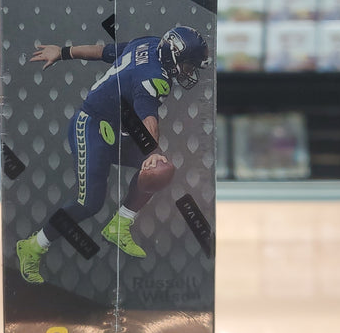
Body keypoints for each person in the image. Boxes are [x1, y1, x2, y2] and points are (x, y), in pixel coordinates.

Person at [15, 25, 210, 284]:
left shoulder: (150, 44)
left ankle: (120, 224)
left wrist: (63, 52)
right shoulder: (154, 77)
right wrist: (152, 152)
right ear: (174, 55)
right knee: (89, 203)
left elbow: (103, 51)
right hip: (92, 126)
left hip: (117, 131)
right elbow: (148, 119)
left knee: (160, 171)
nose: (189, 72)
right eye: (187, 66)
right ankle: (33, 246)